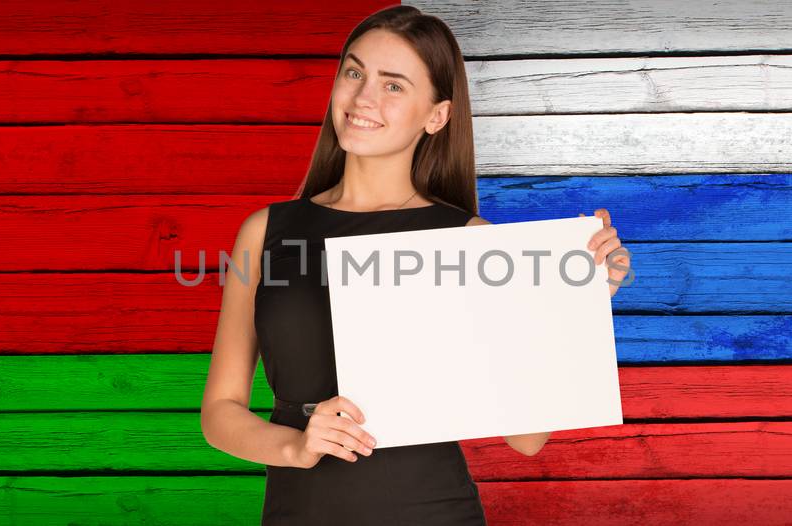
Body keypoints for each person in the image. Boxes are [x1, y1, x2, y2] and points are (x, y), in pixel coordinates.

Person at [199, 5, 631, 524]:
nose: (363, 98)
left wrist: (573, 305)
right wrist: (297, 447)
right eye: (355, 73)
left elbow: (527, 439)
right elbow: (219, 414)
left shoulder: (472, 243)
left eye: (394, 85)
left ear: (437, 115)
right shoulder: (266, 232)